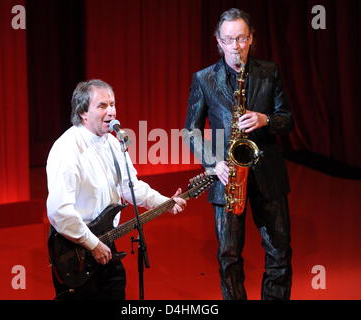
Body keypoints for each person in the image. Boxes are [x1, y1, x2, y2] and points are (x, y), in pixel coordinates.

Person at [183, 8, 293, 300]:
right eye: (229, 39)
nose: (236, 46)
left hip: (267, 174)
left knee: (279, 252)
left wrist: (265, 119)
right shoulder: (204, 79)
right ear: (218, 41)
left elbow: (287, 119)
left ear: (251, 38)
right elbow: (190, 130)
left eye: (241, 38)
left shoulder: (269, 72)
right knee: (228, 256)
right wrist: (212, 163)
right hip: (226, 176)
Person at [46, 79, 186, 300]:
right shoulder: (67, 149)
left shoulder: (113, 143)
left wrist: (164, 202)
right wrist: (92, 244)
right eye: (102, 106)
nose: (111, 111)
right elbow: (59, 211)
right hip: (76, 250)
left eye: (112, 104)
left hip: (106, 242)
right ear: (83, 112)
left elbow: (131, 186)